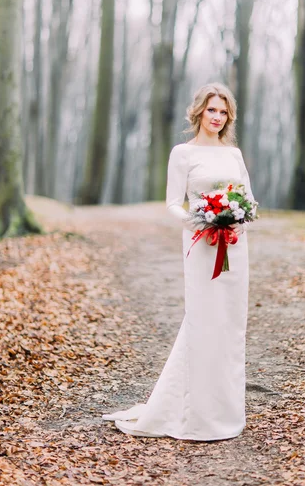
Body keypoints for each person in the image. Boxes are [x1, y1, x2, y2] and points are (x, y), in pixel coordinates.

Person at [102, 82, 255, 440]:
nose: (216, 117)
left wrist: (237, 217)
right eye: (211, 110)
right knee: (204, 322)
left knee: (230, 325)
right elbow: (172, 202)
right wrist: (201, 219)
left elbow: (249, 197)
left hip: (234, 245)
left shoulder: (234, 155)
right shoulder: (182, 153)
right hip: (201, 245)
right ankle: (197, 412)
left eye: (223, 112)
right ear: (199, 111)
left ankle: (227, 410)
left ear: (228, 117)